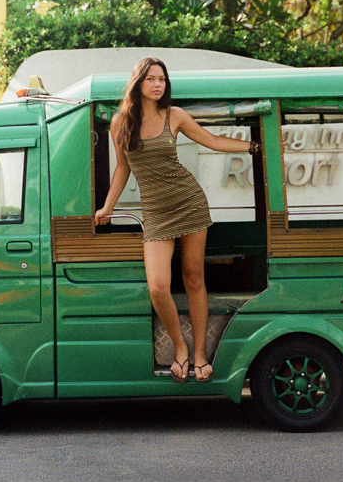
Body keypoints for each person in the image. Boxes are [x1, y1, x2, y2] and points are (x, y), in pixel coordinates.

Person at [94, 57, 254, 384]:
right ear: (137, 82)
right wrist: (107, 206)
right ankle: (180, 347)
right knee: (157, 287)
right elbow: (123, 169)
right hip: (155, 212)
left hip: (189, 202)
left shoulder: (175, 116)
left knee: (194, 277)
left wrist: (253, 146)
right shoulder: (119, 123)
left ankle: (198, 355)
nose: (158, 85)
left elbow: (212, 141)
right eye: (151, 79)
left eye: (162, 80)